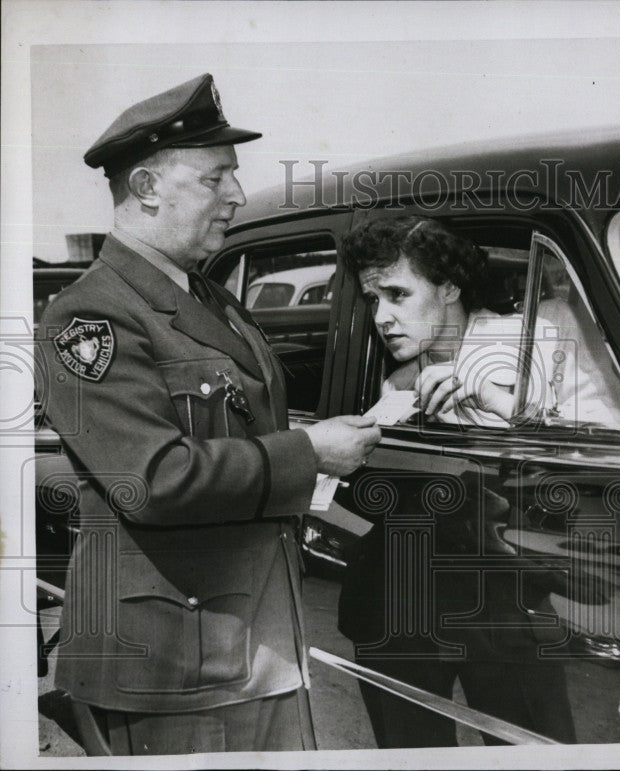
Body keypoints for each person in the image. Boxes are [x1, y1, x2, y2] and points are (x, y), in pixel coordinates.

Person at [36, 74, 381, 755]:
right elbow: (153, 478)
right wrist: (310, 450)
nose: (237, 196)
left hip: (250, 643)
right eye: (215, 178)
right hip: (170, 664)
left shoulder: (209, 298)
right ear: (146, 188)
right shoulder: (89, 314)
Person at [337, 217, 576, 747]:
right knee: (411, 749)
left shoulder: (532, 338)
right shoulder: (395, 381)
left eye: (398, 294)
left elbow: (591, 444)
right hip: (401, 594)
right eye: (373, 299)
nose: (382, 317)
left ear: (449, 287)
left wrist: (502, 403)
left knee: (534, 746)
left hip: (506, 591)